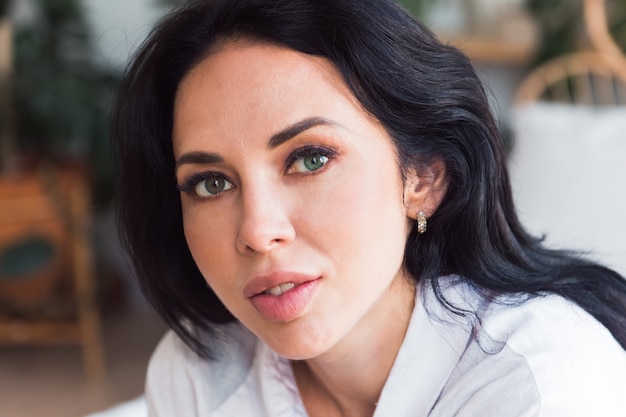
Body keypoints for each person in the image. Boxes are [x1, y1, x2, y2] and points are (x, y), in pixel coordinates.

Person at [112, 0, 626, 415]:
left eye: (310, 159)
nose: (257, 230)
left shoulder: (539, 385)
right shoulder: (197, 376)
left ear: (423, 177)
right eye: (210, 183)